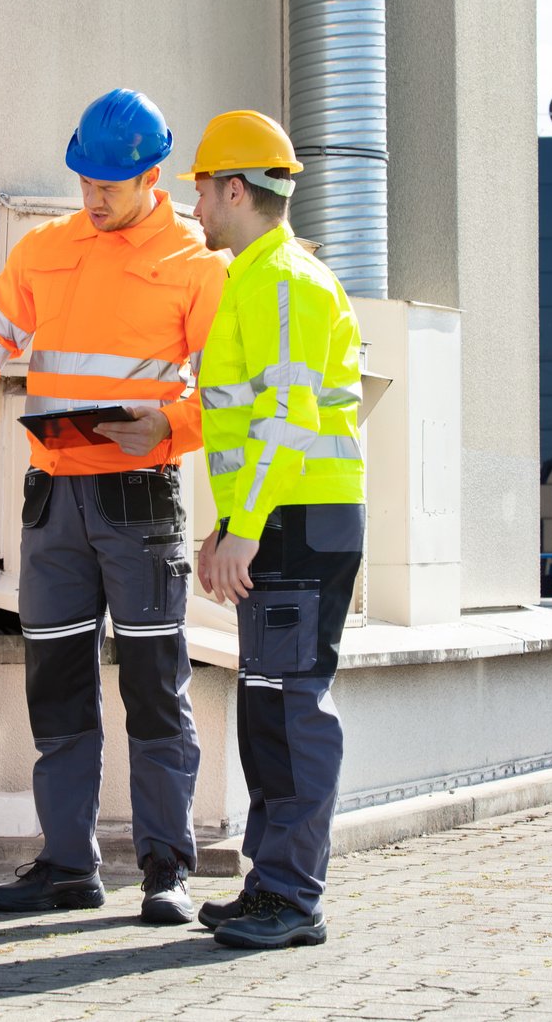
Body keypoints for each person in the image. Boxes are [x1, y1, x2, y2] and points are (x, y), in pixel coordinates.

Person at [0, 89, 225, 924]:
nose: (94, 196)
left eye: (111, 183)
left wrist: (166, 426)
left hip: (139, 503)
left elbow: (227, 396)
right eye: (85, 180)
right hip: (53, 507)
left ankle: (164, 872)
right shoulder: (46, 249)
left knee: (153, 689)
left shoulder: (196, 263)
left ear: (152, 176)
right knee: (58, 689)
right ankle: (68, 866)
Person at [183, 110, 365, 949]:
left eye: (199, 188)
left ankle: (292, 898)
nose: (194, 207)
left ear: (233, 188)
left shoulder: (283, 280)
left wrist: (244, 529)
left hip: (297, 523)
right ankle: (270, 886)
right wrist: (228, 526)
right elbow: (249, 425)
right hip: (280, 520)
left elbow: (286, 421)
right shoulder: (258, 277)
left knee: (290, 709)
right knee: (267, 706)